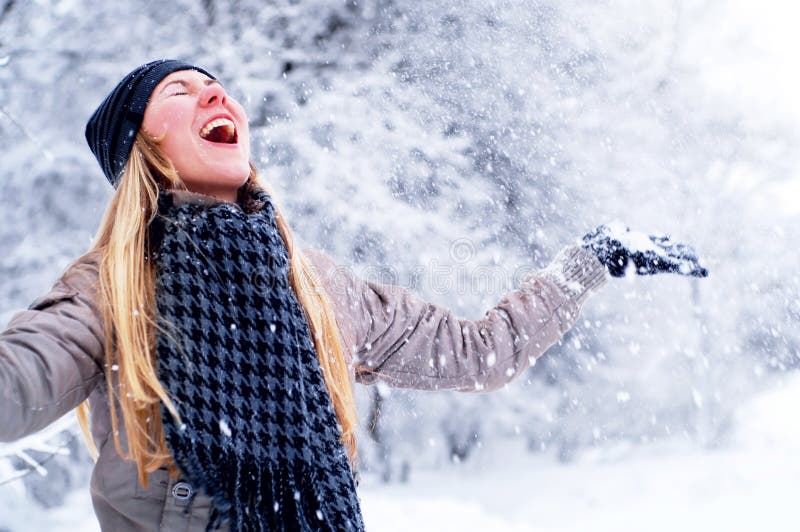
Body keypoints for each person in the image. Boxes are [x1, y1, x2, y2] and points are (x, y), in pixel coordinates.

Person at [0, 59, 707, 532]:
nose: (215, 94)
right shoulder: (111, 287)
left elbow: (479, 353)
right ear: (141, 151)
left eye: (216, 86)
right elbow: (18, 379)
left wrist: (585, 264)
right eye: (179, 92)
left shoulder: (315, 287)